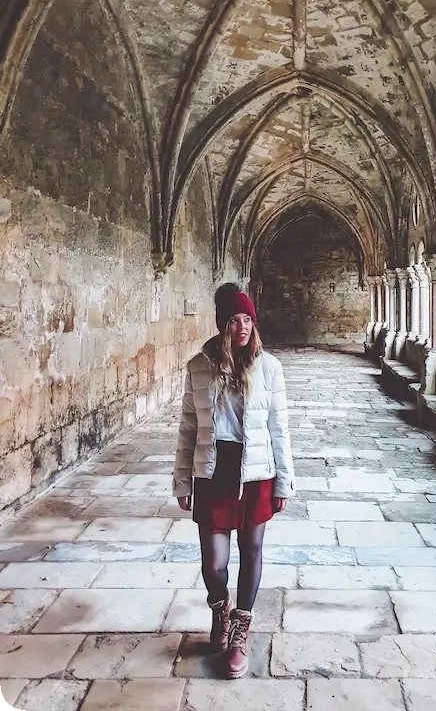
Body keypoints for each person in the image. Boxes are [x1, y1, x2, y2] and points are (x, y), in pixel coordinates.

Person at [172, 283, 295, 679]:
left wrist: (284, 481)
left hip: (256, 472)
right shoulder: (198, 366)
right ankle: (219, 610)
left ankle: (240, 632)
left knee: (252, 550)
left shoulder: (269, 367)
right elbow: (188, 427)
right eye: (233, 320)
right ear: (221, 324)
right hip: (213, 470)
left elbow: (279, 428)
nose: (242, 327)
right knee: (214, 563)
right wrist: (182, 480)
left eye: (247, 319)